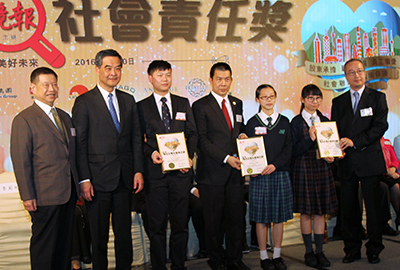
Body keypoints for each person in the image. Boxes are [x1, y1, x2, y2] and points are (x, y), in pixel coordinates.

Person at [72, 49, 144, 270]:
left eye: (117, 68)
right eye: (108, 68)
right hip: (97, 180)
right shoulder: (84, 102)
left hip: (124, 179)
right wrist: (84, 179)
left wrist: (138, 171)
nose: (113, 73)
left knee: (124, 235)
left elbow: (135, 139)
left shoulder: (128, 100)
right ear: (97, 70)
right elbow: (80, 144)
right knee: (99, 235)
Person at [10, 67, 79, 270]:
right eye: (45, 85)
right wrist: (27, 195)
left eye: (54, 84)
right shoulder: (24, 119)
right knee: (44, 247)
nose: (52, 89)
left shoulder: (65, 117)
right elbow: (21, 161)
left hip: (68, 193)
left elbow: (71, 156)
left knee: (64, 246)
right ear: (33, 88)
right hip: (43, 195)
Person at [137, 60, 198, 270]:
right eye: (160, 75)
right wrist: (151, 152)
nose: (165, 79)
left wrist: (189, 157)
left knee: (180, 224)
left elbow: (192, 134)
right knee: (157, 226)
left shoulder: (183, 103)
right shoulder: (141, 107)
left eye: (168, 75)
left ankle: (179, 265)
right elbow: (138, 140)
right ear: (150, 78)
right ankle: (158, 266)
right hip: (155, 175)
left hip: (181, 174)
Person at [192, 62, 249, 270]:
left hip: (235, 174)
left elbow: (236, 132)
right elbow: (202, 141)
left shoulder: (237, 103)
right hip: (212, 174)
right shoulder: (200, 106)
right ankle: (216, 260)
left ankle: (235, 260)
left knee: (236, 220)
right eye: (219, 79)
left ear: (231, 80)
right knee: (213, 223)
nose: (223, 83)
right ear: (211, 80)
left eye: (227, 79)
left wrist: (242, 137)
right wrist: (226, 157)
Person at [331, 58, 388, 264]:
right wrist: (332, 147)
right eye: (352, 72)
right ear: (345, 76)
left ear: (366, 73)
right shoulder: (338, 101)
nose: (357, 75)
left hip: (369, 159)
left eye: (360, 71)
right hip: (347, 161)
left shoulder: (377, 98)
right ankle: (351, 248)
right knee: (349, 209)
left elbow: (380, 127)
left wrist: (354, 141)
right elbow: (334, 130)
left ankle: (374, 248)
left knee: (373, 209)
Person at [246, 84, 293, 270]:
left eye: (271, 96)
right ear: (257, 99)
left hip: (280, 173)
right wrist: (253, 168)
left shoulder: (284, 122)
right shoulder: (251, 123)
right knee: (261, 218)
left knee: (279, 217)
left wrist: (275, 165)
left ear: (275, 97)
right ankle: (264, 256)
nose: (268, 100)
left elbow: (289, 148)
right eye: (264, 97)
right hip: (260, 176)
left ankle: (278, 255)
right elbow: (247, 149)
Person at [290, 84, 338, 267]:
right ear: (302, 100)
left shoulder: (325, 120)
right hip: (303, 170)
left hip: (322, 169)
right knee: (306, 213)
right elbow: (293, 151)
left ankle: (320, 251)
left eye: (318, 98)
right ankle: (308, 252)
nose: (314, 101)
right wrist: (309, 139)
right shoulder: (294, 122)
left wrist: (332, 156)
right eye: (310, 98)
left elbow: (330, 146)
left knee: (320, 212)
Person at [380, 137, 400, 230]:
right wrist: (387, 171)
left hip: (391, 172)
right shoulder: (370, 142)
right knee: (394, 186)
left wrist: (393, 168)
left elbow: (395, 159)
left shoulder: (387, 141)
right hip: (380, 173)